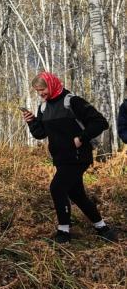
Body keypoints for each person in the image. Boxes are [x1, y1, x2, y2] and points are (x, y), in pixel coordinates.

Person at [23, 72, 118, 243]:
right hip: (61, 158)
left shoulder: (72, 101)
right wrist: (31, 121)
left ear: (51, 84)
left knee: (57, 188)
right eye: (37, 91)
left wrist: (81, 138)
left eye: (42, 89)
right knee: (76, 193)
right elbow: (40, 134)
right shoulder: (44, 107)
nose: (41, 94)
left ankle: (64, 232)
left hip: (78, 157)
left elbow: (100, 122)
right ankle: (102, 227)